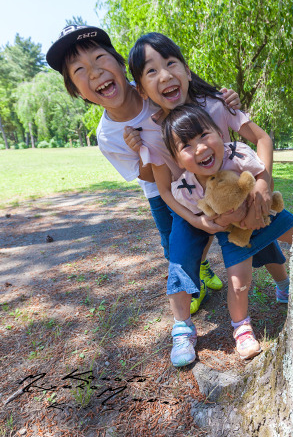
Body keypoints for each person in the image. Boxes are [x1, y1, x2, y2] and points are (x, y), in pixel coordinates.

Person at [127, 32, 293, 366]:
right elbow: (164, 190)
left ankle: (285, 285)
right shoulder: (149, 131)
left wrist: (263, 184)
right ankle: (182, 327)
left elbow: (260, 139)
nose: (164, 75)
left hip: (241, 198)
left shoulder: (218, 104)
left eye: (171, 63)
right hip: (192, 208)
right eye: (151, 71)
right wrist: (197, 221)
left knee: (265, 236)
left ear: (187, 71)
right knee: (180, 260)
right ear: (141, 88)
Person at [45, 24, 237, 312]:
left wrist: (227, 100)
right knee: (174, 244)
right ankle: (193, 281)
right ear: (79, 92)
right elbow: (144, 174)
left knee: (208, 229)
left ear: (124, 67)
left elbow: (196, 99)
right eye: (80, 70)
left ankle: (202, 264)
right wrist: (141, 153)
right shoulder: (108, 136)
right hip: (160, 192)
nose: (95, 72)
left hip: (199, 174)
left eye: (99, 59)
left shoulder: (155, 85)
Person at [161, 104, 293, 359]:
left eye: (204, 135)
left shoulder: (239, 153)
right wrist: (218, 220)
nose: (200, 147)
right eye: (186, 146)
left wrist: (260, 189)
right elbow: (200, 214)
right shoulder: (186, 187)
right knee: (238, 285)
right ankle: (242, 329)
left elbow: (262, 177)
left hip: (267, 214)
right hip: (234, 236)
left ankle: (285, 287)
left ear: (221, 134)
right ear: (177, 160)